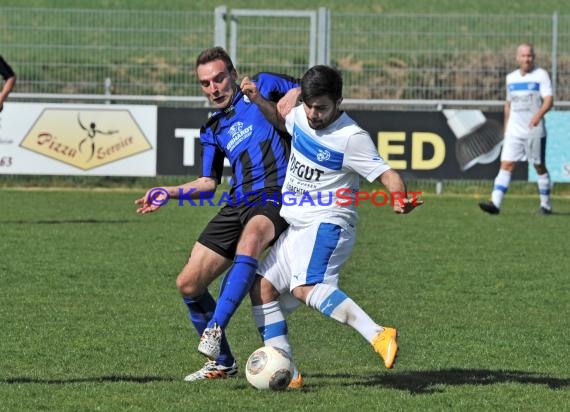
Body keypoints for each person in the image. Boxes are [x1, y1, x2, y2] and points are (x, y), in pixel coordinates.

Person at [198, 65, 422, 387]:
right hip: (298, 225)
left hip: (329, 222)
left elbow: (386, 173)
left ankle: (378, 334)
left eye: (323, 108)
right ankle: (288, 372)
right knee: (261, 288)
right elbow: (280, 120)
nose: (314, 114)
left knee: (306, 287)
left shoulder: (351, 137)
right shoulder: (300, 115)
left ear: (339, 101)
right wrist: (259, 98)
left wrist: (399, 198)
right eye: (310, 106)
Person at [135, 47, 299, 381]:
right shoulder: (213, 128)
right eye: (206, 83)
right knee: (188, 283)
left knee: (250, 240)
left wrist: (293, 95)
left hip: (275, 194)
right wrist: (168, 192)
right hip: (237, 201)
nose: (214, 88)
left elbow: (306, 85)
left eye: (219, 78)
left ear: (234, 74)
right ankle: (222, 362)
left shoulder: (264, 85)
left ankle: (215, 329)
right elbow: (209, 183)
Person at [479, 43, 554, 215]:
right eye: (524, 55)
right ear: (517, 57)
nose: (527, 59)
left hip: (534, 130)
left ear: (533, 57)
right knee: (506, 164)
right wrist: (506, 127)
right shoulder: (511, 78)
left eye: (530, 55)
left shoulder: (541, 75)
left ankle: (546, 205)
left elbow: (549, 100)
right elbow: (508, 104)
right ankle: (495, 204)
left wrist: (538, 115)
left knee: (539, 166)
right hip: (514, 130)